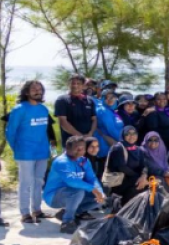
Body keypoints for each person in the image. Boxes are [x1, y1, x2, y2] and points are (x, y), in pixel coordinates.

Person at [6, 80, 55, 224]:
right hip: (25, 152)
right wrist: (18, 149)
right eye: (34, 89)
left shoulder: (43, 109)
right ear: (26, 92)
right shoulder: (19, 109)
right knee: (26, 183)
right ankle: (25, 213)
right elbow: (10, 132)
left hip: (42, 152)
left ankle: (37, 210)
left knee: (39, 182)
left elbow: (46, 131)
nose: (38, 91)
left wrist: (50, 149)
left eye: (40, 88)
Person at [43, 135, 106, 233]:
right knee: (78, 191)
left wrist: (100, 192)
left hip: (72, 193)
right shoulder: (62, 161)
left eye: (83, 149)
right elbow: (71, 181)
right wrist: (93, 189)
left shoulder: (84, 160)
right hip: (54, 196)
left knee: (100, 199)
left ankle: (68, 213)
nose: (81, 151)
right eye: (77, 149)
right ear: (68, 148)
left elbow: (92, 179)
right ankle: (67, 222)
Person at [106, 126, 165, 205]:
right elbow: (122, 167)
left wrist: (143, 176)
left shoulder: (138, 149)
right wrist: (139, 178)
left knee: (156, 183)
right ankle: (125, 207)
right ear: (123, 135)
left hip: (134, 179)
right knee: (145, 185)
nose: (132, 136)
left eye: (134, 134)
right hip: (119, 181)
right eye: (128, 134)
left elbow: (144, 166)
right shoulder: (117, 148)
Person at [55, 74, 98, 139]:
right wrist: (80, 136)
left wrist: (91, 133)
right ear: (68, 84)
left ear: (84, 86)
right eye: (73, 83)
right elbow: (62, 122)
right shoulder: (62, 100)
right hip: (71, 142)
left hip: (88, 140)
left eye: (78, 83)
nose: (75, 85)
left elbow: (94, 120)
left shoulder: (90, 100)